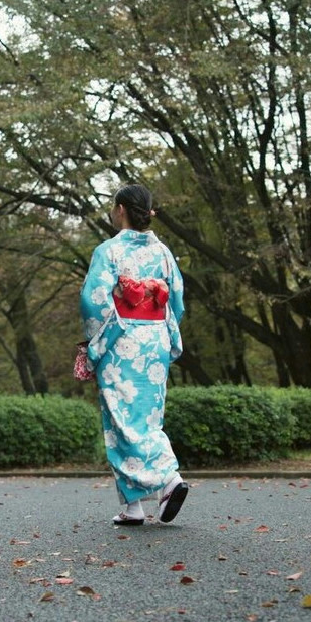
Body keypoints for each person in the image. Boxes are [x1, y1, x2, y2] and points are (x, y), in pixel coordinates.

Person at [80, 184, 189, 525]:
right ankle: (132, 506)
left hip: (121, 340)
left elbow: (93, 301)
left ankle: (169, 479)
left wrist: (96, 342)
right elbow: (177, 301)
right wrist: (163, 333)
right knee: (147, 417)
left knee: (121, 420)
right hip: (155, 340)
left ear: (122, 209)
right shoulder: (163, 252)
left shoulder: (108, 250)